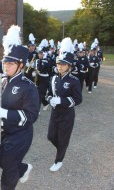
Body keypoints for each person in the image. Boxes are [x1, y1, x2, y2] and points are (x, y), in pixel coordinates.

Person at [0, 25, 39, 190]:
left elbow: (32, 115)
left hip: (20, 133)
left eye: (11, 63)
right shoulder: (2, 81)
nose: (6, 66)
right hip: (3, 131)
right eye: (5, 62)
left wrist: (8, 114)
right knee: (0, 161)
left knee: (9, 170)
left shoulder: (28, 86)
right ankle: (24, 168)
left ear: (21, 65)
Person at [46, 37, 82, 172]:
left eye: (63, 64)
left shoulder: (74, 81)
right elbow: (48, 94)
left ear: (69, 65)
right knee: (51, 136)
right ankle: (62, 148)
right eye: (58, 64)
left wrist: (62, 101)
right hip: (55, 113)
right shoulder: (54, 78)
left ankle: (59, 160)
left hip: (67, 115)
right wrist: (50, 99)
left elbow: (78, 99)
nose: (60, 66)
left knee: (63, 139)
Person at [36, 39, 50, 111]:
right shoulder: (38, 60)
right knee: (38, 93)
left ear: (44, 54)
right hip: (39, 77)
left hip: (45, 79)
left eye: (41, 54)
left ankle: (37, 110)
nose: (39, 55)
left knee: (40, 94)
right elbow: (38, 69)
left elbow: (42, 68)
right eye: (39, 53)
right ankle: (45, 103)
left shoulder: (46, 61)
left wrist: (43, 60)